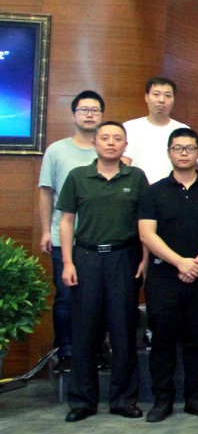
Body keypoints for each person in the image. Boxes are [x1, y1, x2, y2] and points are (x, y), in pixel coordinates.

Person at [59, 121, 150, 422]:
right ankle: (82, 401)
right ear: (95, 143)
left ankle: (123, 400)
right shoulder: (78, 176)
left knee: (123, 330)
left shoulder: (136, 177)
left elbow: (146, 222)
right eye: (105, 138)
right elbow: (67, 221)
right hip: (86, 258)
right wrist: (68, 262)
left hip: (124, 257)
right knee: (85, 331)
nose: (111, 143)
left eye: (117, 139)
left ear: (126, 145)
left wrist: (145, 258)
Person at [137, 126, 198, 422]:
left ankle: (194, 398)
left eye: (189, 148)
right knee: (162, 339)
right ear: (169, 153)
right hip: (163, 277)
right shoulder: (154, 192)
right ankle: (162, 400)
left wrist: (196, 263)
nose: (184, 153)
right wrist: (180, 263)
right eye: (178, 148)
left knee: (197, 338)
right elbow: (147, 234)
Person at [37, 90, 104, 372]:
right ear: (74, 114)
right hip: (62, 237)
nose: (89, 114)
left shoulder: (108, 150)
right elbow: (46, 192)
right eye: (83, 109)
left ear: (102, 116)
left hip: (99, 239)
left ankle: (96, 351)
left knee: (98, 298)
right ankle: (65, 351)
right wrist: (45, 231)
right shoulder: (56, 150)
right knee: (65, 296)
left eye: (95, 110)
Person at [122, 76, 193, 184]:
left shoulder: (183, 130)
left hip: (173, 190)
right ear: (146, 97)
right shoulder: (129, 128)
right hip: (137, 189)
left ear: (174, 99)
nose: (161, 100)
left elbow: (190, 168)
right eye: (156, 94)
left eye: (167, 95)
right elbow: (124, 165)